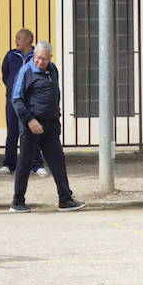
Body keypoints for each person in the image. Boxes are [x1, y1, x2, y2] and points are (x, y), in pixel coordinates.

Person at [10, 41, 86, 212]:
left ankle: (65, 199)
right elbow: (16, 100)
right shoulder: (26, 71)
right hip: (31, 125)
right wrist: (30, 120)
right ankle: (17, 202)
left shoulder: (52, 69)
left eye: (44, 59)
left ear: (50, 58)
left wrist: (56, 117)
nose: (40, 62)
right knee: (25, 163)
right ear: (33, 55)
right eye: (37, 58)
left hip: (50, 126)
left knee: (58, 161)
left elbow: (54, 94)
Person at [0, 29, 48, 177]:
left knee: (33, 131)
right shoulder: (11, 55)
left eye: (19, 38)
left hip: (31, 102)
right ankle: (8, 164)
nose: (16, 41)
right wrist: (13, 90)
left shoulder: (36, 57)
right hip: (13, 100)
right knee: (12, 132)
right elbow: (5, 74)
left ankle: (37, 165)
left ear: (28, 40)